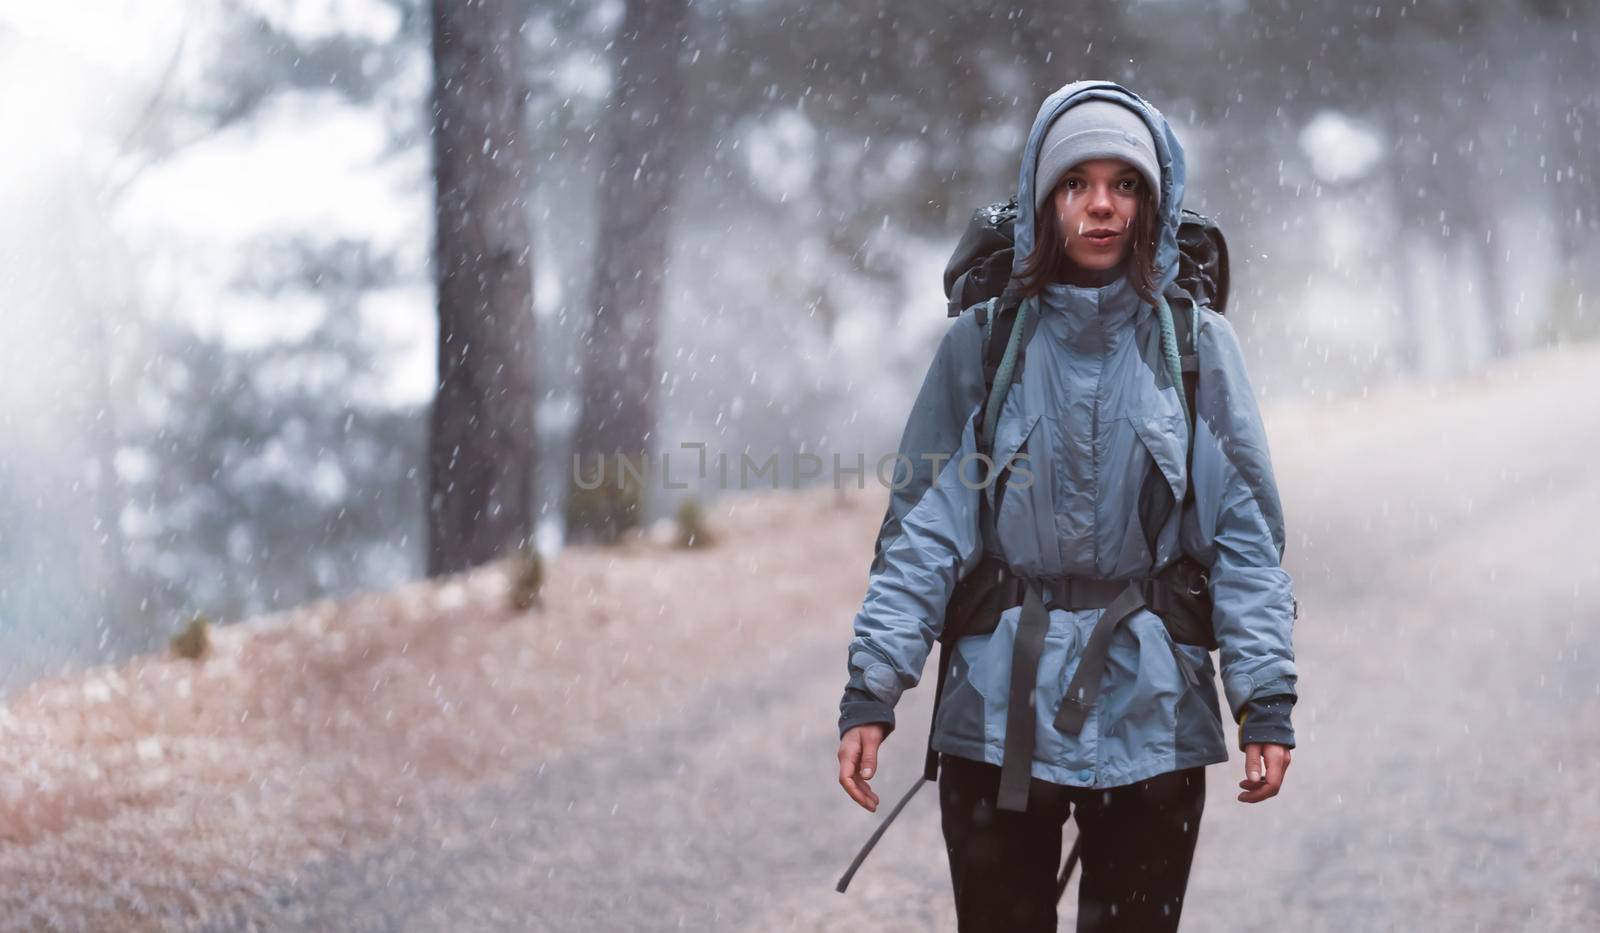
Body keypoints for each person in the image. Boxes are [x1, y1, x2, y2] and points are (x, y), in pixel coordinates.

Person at [834, 80, 1299, 932]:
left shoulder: (1195, 346)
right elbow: (923, 535)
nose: (1101, 206)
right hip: (994, 715)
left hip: (1154, 709)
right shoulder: (983, 343)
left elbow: (1244, 536)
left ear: (1153, 201)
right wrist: (873, 689)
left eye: (1124, 184)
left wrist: (1263, 697)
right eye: (1076, 183)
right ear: (1042, 198)